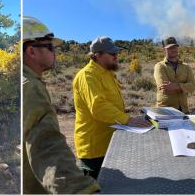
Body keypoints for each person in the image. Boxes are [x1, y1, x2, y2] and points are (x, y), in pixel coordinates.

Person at [22, 16, 99, 194]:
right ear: (32, 51)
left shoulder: (25, 81)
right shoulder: (30, 87)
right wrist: (81, 190)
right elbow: (46, 145)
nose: (54, 52)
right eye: (49, 47)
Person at [72, 36, 152, 179]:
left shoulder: (107, 73)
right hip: (94, 150)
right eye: (112, 54)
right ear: (97, 55)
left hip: (109, 142)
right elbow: (98, 107)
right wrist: (127, 120)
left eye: (116, 53)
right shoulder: (87, 75)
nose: (116, 56)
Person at [153, 37, 195, 112]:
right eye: (170, 48)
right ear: (164, 50)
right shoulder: (159, 66)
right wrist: (184, 87)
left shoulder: (186, 66)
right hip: (165, 110)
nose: (174, 49)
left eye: (175, 47)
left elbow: (192, 87)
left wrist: (176, 86)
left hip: (184, 110)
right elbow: (164, 87)